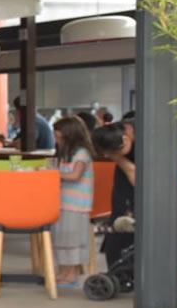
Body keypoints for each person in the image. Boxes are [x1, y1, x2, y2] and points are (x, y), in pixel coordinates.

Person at [50, 116, 95, 286]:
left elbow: (75, 176)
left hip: (76, 205)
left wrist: (52, 173)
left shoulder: (81, 154)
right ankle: (63, 271)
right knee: (62, 238)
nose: (57, 140)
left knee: (73, 240)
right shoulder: (65, 155)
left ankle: (72, 273)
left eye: (59, 137)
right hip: (62, 203)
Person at [92, 119, 136, 267]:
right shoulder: (116, 133)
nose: (109, 156)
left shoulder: (144, 140)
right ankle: (116, 269)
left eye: (112, 153)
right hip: (123, 188)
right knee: (118, 222)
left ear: (125, 140)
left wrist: (119, 159)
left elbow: (138, 181)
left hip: (139, 188)